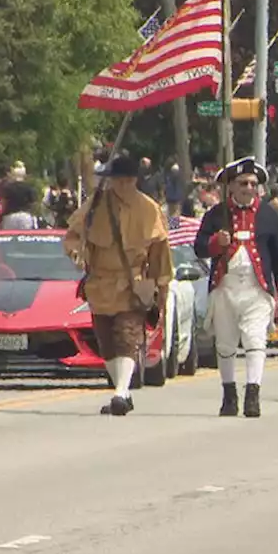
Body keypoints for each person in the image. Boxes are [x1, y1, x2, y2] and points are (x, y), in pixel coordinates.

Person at [64, 155, 172, 417]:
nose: (121, 185)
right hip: (99, 283)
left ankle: (121, 392)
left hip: (131, 284)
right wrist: (76, 253)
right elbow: (74, 235)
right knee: (106, 341)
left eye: (126, 180)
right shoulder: (96, 205)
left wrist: (161, 287)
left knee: (127, 336)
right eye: (117, 180)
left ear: (135, 180)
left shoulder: (149, 209)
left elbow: (160, 251)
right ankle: (122, 390)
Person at [194, 156, 278, 418]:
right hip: (225, 289)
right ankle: (229, 395)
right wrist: (217, 241)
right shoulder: (216, 214)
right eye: (242, 183)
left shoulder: (268, 215)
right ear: (231, 187)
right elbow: (199, 247)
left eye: (252, 183)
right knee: (225, 345)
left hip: (256, 290)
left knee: (255, 339)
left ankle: (253, 394)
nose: (248, 188)